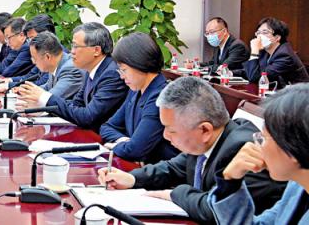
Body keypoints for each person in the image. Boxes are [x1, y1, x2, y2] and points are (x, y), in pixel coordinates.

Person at [98, 76, 284, 223]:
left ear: (204, 130)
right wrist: (131, 179)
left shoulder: (243, 149)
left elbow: (215, 209)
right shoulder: (207, 141)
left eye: (171, 130)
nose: (165, 136)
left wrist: (175, 194)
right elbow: (173, 168)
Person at [209, 84, 309, 224]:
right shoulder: (297, 187)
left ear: (292, 146)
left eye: (264, 138)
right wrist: (230, 184)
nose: (258, 145)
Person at [100, 32, 178, 163]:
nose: (121, 76)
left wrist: (116, 146)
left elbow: (135, 150)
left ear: (139, 64)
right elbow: (107, 127)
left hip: (161, 172)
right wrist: (123, 141)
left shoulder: (161, 96)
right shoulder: (136, 91)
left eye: (124, 70)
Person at [42, 22, 128, 131]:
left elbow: (88, 117)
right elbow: (77, 104)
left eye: (76, 46)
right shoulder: (91, 68)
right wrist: (43, 107)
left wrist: (46, 98)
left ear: (96, 50)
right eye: (72, 46)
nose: (72, 52)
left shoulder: (112, 75)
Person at [16, 32, 85, 106]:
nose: (33, 62)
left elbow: (50, 98)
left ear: (47, 57)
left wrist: (30, 97)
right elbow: (47, 87)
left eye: (34, 58)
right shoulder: (55, 64)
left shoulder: (70, 69)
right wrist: (26, 91)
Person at [242, 17, 309, 88]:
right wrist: (233, 72)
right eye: (258, 33)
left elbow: (256, 78)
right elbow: (252, 71)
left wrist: (254, 52)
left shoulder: (285, 55)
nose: (259, 36)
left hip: (297, 93)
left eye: (265, 32)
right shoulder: (265, 51)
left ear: (277, 38)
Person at [5, 15, 55, 90]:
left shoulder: (55, 54)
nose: (30, 43)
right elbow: (30, 76)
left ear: (47, 34)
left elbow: (42, 83)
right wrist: (10, 80)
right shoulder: (43, 52)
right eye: (29, 39)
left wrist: (9, 85)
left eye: (32, 38)